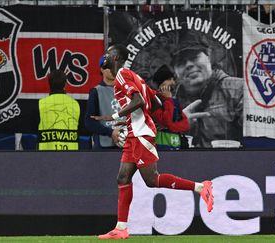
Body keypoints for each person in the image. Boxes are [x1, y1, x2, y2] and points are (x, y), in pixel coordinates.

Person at [92, 44, 214, 240]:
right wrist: (135, 119)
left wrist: (114, 116)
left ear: (115, 58)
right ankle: (121, 228)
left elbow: (138, 101)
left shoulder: (122, 75)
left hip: (140, 134)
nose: (105, 55)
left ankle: (201, 187)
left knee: (152, 180)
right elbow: (155, 102)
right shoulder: (133, 76)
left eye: (109, 52)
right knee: (123, 177)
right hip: (135, 132)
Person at [171, 32, 243, 148]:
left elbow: (256, 140)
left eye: (194, 57)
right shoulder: (171, 105)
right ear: (175, 71)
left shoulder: (238, 89)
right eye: (181, 62)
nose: (189, 64)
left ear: (208, 57)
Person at [85, 56, 122, 149]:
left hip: (125, 145)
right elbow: (89, 122)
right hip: (104, 147)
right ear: (102, 69)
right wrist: (110, 132)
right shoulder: (96, 91)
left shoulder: (126, 90)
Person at [37, 69, 80, 150]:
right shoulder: (75, 104)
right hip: (71, 155)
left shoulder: (41, 104)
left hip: (45, 156)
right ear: (65, 84)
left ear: (49, 84)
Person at [151, 64, 189, 150]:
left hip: (176, 146)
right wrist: (168, 100)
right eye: (169, 79)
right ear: (160, 83)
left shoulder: (174, 101)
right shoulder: (153, 101)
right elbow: (166, 120)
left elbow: (185, 125)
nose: (173, 83)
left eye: (173, 79)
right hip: (159, 148)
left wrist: (170, 126)